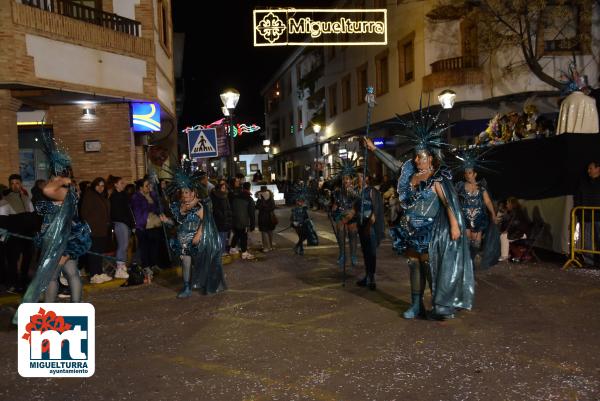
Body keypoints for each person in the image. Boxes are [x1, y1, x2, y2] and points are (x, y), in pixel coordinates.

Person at [364, 108, 474, 321]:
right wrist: (373, 149)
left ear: (430, 158)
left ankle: (438, 304)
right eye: (415, 156)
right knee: (413, 264)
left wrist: (454, 226)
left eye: (421, 157)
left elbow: (448, 203)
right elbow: (394, 164)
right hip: (409, 229)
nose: (416, 160)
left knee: (428, 266)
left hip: (429, 229)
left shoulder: (437, 178)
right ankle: (416, 306)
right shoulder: (409, 174)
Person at [10, 134, 91, 324]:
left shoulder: (64, 190)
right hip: (53, 240)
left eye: (54, 173)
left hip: (63, 241)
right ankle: (53, 309)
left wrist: (61, 180)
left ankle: (70, 307)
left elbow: (46, 190)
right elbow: (45, 198)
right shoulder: (62, 189)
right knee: (59, 275)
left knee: (60, 275)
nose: (51, 177)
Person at [164, 168, 226, 296]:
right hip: (183, 242)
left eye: (187, 192)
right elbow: (178, 223)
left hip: (197, 242)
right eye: (183, 193)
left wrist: (198, 235)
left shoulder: (199, 206)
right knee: (186, 264)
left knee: (203, 263)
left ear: (193, 193)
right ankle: (187, 288)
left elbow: (206, 222)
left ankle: (207, 283)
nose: (185, 195)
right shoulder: (179, 206)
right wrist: (167, 221)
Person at [454, 153, 500, 270]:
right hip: (465, 218)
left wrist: (493, 215)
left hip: (478, 219)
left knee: (476, 244)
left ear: (475, 174)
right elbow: (453, 199)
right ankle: (468, 266)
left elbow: (488, 202)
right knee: (467, 243)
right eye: (466, 173)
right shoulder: (460, 186)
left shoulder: (481, 187)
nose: (467, 175)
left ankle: (471, 262)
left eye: (470, 173)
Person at [346, 173, 385, 290]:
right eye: (357, 176)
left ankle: (371, 278)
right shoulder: (359, 192)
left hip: (370, 227)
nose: (357, 178)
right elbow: (355, 209)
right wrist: (345, 218)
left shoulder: (372, 191)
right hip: (361, 226)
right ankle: (367, 276)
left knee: (371, 253)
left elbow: (376, 211)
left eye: (360, 176)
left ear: (366, 178)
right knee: (365, 252)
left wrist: (369, 226)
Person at [80, 177, 113, 284]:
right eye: (98, 185)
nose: (100, 188)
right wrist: (90, 226)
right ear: (94, 185)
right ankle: (94, 275)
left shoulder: (101, 196)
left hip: (102, 230)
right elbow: (84, 213)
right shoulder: (90, 195)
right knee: (94, 253)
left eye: (102, 185)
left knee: (99, 252)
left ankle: (99, 272)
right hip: (93, 230)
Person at [330, 159, 360, 268]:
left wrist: (353, 192)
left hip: (352, 215)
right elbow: (335, 204)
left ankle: (353, 256)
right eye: (344, 179)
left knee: (352, 232)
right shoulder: (338, 191)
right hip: (341, 214)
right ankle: (342, 254)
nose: (345, 181)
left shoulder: (356, 190)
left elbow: (358, 202)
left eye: (347, 178)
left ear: (352, 179)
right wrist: (333, 207)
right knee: (341, 231)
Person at [131, 178, 162, 278]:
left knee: (154, 246)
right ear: (140, 188)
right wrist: (152, 207)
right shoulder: (136, 197)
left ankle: (154, 264)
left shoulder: (153, 195)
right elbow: (142, 209)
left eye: (149, 185)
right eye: (146, 186)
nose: (149, 187)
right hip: (143, 225)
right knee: (144, 247)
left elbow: (160, 207)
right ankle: (146, 266)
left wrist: (153, 206)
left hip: (155, 224)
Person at [574, 160, 600, 267]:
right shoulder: (583, 183)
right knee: (587, 242)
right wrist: (578, 212)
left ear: (598, 169)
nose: (588, 171)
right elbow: (577, 198)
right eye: (588, 168)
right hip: (586, 217)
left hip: (599, 217)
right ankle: (590, 263)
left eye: (591, 168)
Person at [109, 176, 134, 279]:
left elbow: (128, 211)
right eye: (121, 183)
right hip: (120, 223)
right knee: (122, 245)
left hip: (126, 223)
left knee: (125, 245)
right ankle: (119, 268)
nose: (124, 185)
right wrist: (126, 221)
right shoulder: (114, 197)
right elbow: (117, 213)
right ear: (116, 184)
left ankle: (122, 266)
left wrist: (131, 224)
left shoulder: (123, 195)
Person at [230, 182, 256, 260]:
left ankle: (232, 248)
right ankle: (244, 253)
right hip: (243, 221)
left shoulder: (236, 197)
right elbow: (252, 213)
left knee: (237, 234)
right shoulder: (249, 198)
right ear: (249, 188)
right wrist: (252, 225)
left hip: (235, 220)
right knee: (244, 236)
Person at [290, 187, 318, 255]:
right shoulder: (294, 209)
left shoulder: (304, 209)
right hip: (298, 226)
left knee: (304, 237)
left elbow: (306, 217)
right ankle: (300, 249)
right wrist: (294, 223)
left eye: (302, 201)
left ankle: (297, 247)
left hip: (304, 225)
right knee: (301, 236)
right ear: (297, 201)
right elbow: (292, 218)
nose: (300, 202)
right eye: (299, 201)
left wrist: (307, 220)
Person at [211, 180, 232, 255]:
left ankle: (222, 250)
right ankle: (220, 251)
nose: (225, 189)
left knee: (224, 235)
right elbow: (216, 209)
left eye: (225, 188)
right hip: (220, 220)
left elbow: (228, 208)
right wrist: (222, 216)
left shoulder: (225, 196)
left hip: (225, 220)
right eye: (223, 188)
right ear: (219, 188)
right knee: (220, 236)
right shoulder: (216, 196)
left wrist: (229, 216)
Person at [256, 185, 277, 252]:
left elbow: (257, 206)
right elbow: (273, 206)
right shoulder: (271, 196)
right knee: (270, 231)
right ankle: (271, 246)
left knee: (264, 232)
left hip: (262, 216)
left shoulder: (260, 197)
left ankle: (266, 247)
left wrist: (263, 208)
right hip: (270, 216)